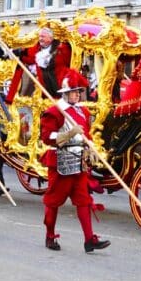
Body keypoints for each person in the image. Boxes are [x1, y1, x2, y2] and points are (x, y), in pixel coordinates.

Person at [40, 69, 110, 252]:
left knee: (84, 200)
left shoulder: (82, 112)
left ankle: (89, 239)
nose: (77, 95)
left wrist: (92, 148)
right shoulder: (54, 112)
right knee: (53, 201)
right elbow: (46, 137)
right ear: (65, 93)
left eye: (79, 92)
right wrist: (70, 132)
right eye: (74, 92)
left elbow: (86, 135)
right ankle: (50, 235)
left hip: (79, 161)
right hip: (60, 161)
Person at [5, 27, 72, 103]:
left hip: (60, 86)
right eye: (39, 36)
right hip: (44, 88)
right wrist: (20, 52)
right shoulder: (38, 48)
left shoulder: (62, 48)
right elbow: (30, 57)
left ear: (50, 37)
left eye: (43, 36)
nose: (40, 39)